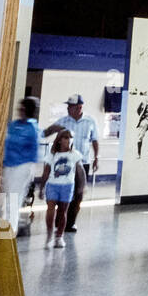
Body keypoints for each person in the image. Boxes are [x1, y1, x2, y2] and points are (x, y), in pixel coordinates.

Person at [43, 94, 99, 233]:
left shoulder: (90, 121)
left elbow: (94, 140)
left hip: (82, 162)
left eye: (71, 107)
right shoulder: (63, 121)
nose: (68, 109)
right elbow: (47, 132)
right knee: (63, 192)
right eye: (68, 107)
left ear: (79, 107)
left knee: (78, 195)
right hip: (64, 163)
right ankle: (60, 219)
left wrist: (96, 157)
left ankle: (71, 223)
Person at [0, 97, 41, 234]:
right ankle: (6, 226)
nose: (20, 111)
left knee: (14, 199)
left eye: (23, 109)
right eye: (20, 108)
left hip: (23, 165)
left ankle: (10, 230)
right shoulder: (14, 124)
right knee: (7, 198)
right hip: (9, 164)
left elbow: (33, 151)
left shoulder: (32, 127)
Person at [39, 129, 79, 248]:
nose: (68, 140)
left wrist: (81, 187)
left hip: (67, 186)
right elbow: (46, 172)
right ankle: (49, 234)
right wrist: (41, 188)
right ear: (60, 140)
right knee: (50, 210)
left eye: (70, 137)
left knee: (62, 211)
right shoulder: (52, 154)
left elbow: (78, 171)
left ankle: (59, 236)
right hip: (52, 185)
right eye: (66, 137)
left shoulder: (74, 154)